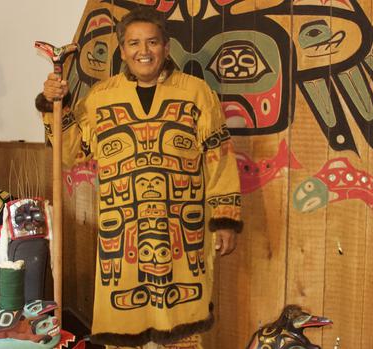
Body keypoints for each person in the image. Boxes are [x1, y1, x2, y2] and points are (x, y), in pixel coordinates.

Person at [35, 6, 243, 349]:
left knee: (182, 325)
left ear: (166, 46)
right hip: (124, 233)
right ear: (122, 50)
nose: (143, 51)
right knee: (125, 320)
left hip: (181, 231)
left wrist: (225, 219)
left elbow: (218, 159)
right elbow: (71, 150)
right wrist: (53, 105)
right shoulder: (101, 98)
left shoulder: (196, 93)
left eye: (152, 42)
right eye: (134, 43)